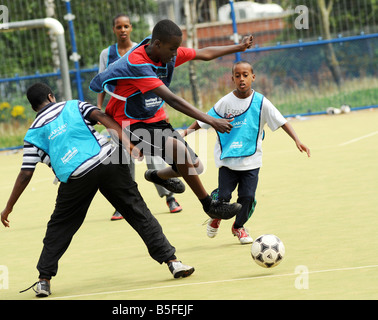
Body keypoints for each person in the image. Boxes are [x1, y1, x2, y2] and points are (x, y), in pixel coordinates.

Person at [0, 83, 194, 298]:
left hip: (76, 177)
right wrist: (128, 144)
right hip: (108, 161)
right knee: (138, 211)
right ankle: (173, 262)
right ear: (50, 96)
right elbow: (102, 117)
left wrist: (8, 208)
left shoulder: (32, 134)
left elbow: (25, 174)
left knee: (60, 227)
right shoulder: (74, 105)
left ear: (33, 107)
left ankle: (44, 280)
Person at [90, 19, 253, 220]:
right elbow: (173, 100)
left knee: (195, 167)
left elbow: (204, 53)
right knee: (179, 151)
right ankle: (209, 205)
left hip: (150, 118)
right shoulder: (137, 63)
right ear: (157, 44)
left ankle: (156, 176)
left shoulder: (166, 51)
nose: (176, 53)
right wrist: (212, 120)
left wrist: (239, 47)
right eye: (172, 49)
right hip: (128, 122)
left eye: (177, 48)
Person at [182, 61, 311, 243]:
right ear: (232, 78)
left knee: (247, 198)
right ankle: (216, 215)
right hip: (228, 161)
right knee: (224, 196)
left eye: (245, 75)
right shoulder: (225, 102)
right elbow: (204, 120)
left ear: (253, 77)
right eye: (237, 75)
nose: (241, 79)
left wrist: (297, 140)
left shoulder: (261, 102)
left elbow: (281, 121)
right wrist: (184, 134)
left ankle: (238, 227)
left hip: (252, 161)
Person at [98, 14, 182, 221]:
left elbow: (157, 83)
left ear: (131, 28)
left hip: (145, 110)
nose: (123, 29)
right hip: (119, 112)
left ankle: (169, 197)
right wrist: (98, 109)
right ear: (114, 29)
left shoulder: (145, 49)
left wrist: (162, 110)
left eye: (126, 26)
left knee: (154, 155)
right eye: (119, 26)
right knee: (123, 157)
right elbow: (102, 81)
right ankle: (123, 204)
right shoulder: (106, 54)